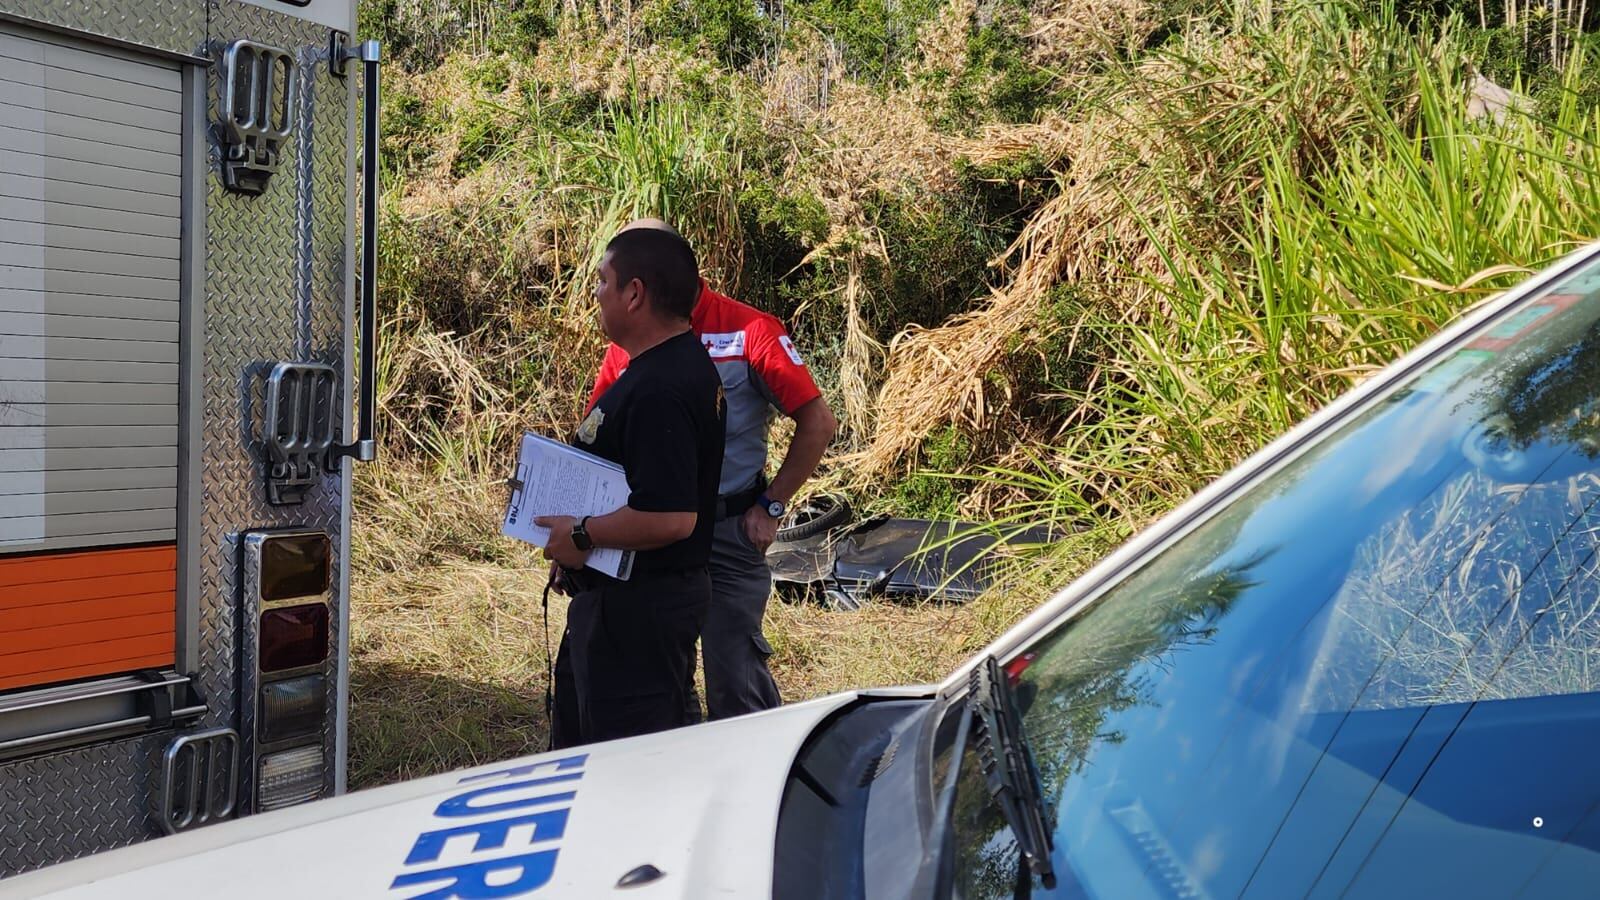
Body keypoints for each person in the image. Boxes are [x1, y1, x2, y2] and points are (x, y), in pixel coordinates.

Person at [586, 220, 838, 720]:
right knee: (656, 682)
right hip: (651, 533)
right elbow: (600, 438)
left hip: (728, 530)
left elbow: (818, 423)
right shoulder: (630, 339)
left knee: (735, 682)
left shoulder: (750, 331)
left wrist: (771, 506)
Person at [537, 227, 725, 748]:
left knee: (626, 768)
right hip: (622, 601)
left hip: (640, 614)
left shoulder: (660, 388)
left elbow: (671, 517)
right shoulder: (662, 368)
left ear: (635, 294)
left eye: (603, 281)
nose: (595, 293)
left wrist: (580, 535)